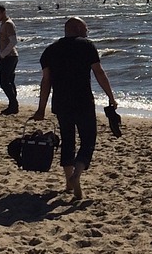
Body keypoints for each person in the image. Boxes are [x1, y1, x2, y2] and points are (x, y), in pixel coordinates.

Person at [32, 17, 118, 201]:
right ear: (77, 28)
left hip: (61, 104)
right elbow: (99, 72)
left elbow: (45, 81)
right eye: (86, 28)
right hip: (83, 101)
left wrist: (41, 109)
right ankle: (77, 174)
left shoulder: (50, 50)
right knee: (88, 140)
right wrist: (111, 96)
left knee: (68, 141)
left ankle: (68, 183)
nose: (87, 32)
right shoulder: (86, 45)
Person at [0, 4, 19, 114]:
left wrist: (3, 54)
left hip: (9, 57)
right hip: (8, 56)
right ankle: (12, 105)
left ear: (4, 12)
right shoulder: (4, 24)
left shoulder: (8, 24)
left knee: (4, 82)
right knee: (9, 82)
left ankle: (14, 104)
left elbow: (13, 41)